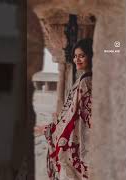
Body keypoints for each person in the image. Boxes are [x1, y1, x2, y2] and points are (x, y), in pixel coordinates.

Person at [36, 38, 93, 180]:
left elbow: (72, 115)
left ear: (91, 56)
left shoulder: (85, 81)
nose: (76, 60)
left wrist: (49, 130)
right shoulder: (91, 79)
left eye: (82, 55)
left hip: (82, 139)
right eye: (75, 56)